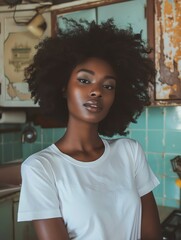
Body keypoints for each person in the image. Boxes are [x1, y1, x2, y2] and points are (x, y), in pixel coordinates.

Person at [18, 18, 162, 240]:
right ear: (64, 87)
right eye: (85, 81)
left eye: (108, 86)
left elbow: (151, 235)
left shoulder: (129, 152)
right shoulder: (40, 168)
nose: (97, 92)